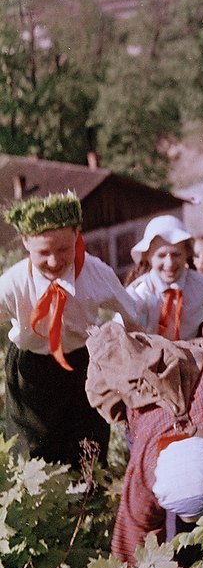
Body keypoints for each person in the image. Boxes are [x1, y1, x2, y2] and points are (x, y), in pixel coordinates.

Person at [93, 313, 203, 567]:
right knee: (171, 531)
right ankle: (184, 554)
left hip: (201, 369)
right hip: (150, 401)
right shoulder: (146, 469)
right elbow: (130, 539)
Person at [0, 191, 143, 469]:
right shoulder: (13, 282)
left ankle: (90, 500)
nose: (54, 261)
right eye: (43, 253)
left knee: (88, 441)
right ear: (26, 243)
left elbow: (132, 315)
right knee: (32, 450)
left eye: (63, 249)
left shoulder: (95, 272)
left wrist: (129, 359)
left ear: (77, 234)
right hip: (31, 369)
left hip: (83, 365)